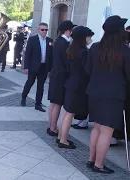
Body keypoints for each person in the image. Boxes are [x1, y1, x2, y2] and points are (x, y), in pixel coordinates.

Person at [86, 15, 130, 174]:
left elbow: (88, 70)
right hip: (113, 96)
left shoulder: (95, 47)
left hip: (95, 93)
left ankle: (91, 160)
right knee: (106, 131)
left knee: (97, 127)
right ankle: (99, 164)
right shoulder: (125, 51)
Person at [56, 26, 94, 149]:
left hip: (71, 82)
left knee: (66, 112)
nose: (91, 39)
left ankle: (60, 137)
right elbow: (87, 70)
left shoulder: (71, 49)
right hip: (78, 85)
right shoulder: (83, 52)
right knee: (69, 114)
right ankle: (63, 140)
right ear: (84, 38)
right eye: (89, 36)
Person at [47, 20, 75, 136]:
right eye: (72, 30)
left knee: (54, 103)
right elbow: (66, 62)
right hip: (61, 75)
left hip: (56, 74)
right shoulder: (64, 43)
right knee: (57, 103)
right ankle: (53, 128)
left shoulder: (59, 41)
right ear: (68, 31)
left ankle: (51, 126)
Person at [21, 22, 53, 112]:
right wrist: (26, 66)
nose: (44, 31)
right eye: (42, 29)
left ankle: (38, 104)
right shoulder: (32, 39)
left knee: (41, 86)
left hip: (44, 67)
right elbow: (28, 54)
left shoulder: (49, 41)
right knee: (30, 83)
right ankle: (24, 97)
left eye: (46, 30)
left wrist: (50, 68)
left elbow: (51, 56)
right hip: (33, 66)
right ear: (39, 30)